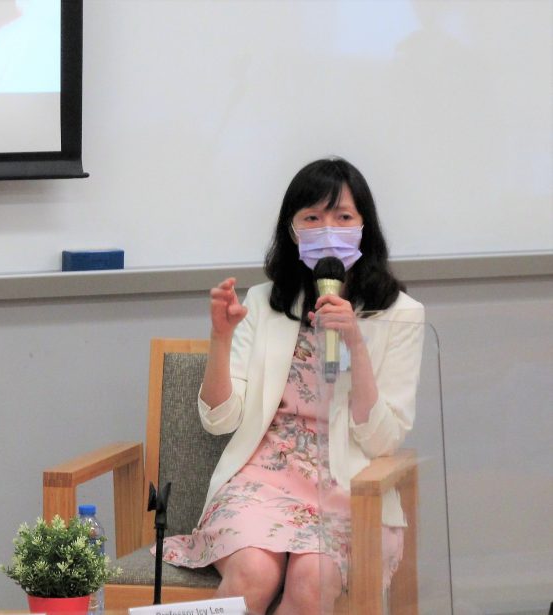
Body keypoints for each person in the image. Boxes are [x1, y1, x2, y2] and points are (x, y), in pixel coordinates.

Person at [156, 157, 424, 613]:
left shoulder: (400, 314)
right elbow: (220, 420)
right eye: (312, 217)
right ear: (292, 229)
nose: (328, 228)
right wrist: (221, 339)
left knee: (311, 582)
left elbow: (382, 440)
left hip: (348, 484)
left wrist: (355, 344)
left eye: (343, 217)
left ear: (365, 227)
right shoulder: (264, 302)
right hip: (264, 477)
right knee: (252, 576)